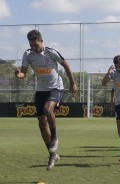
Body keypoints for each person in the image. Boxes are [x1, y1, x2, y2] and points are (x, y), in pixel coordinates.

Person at [15, 30, 77, 170]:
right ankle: (52, 153)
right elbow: (24, 72)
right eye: (31, 45)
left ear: (42, 41)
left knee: (48, 109)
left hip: (55, 88)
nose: (33, 48)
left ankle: (54, 138)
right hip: (41, 91)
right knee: (42, 123)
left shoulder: (51, 52)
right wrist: (19, 74)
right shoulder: (28, 54)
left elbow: (65, 65)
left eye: (36, 45)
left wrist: (72, 83)